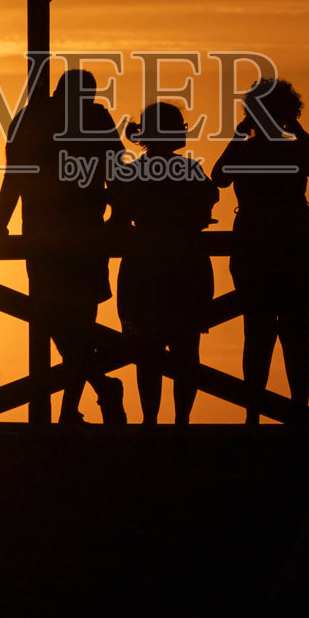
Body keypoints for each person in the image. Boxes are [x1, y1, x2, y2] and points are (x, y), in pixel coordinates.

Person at [0, 69, 127, 425]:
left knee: (72, 322)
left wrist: (119, 218)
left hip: (73, 233)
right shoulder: (53, 117)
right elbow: (15, 172)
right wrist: (0, 224)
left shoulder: (69, 117)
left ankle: (72, 410)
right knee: (67, 322)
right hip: (62, 233)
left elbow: (114, 169)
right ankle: (96, 391)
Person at [213, 78, 309, 424]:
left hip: (262, 243)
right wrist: (293, 128)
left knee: (262, 333)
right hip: (287, 243)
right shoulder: (290, 148)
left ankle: (262, 413)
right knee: (286, 333)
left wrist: (241, 133)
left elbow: (219, 178)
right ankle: (292, 412)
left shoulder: (253, 149)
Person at [109, 103, 219, 425]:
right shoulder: (190, 170)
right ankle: (181, 421)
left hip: (143, 265)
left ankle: (150, 422)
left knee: (147, 350)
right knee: (186, 349)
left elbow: (118, 213)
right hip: (186, 265)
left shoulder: (131, 173)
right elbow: (209, 199)